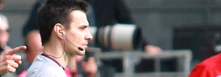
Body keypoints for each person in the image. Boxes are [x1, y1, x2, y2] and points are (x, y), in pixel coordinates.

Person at [22, 0, 161, 53]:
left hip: (102, 58)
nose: (88, 36)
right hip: (62, 60)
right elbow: (31, 33)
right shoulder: (50, 5)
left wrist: (145, 45)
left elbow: (128, 22)